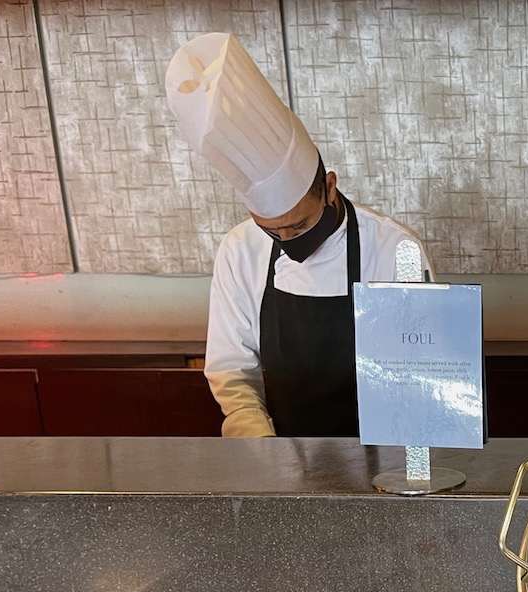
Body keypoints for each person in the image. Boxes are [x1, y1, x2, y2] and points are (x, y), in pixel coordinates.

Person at [166, 33, 433, 437]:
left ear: (329, 187)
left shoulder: (395, 249)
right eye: (271, 230)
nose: (289, 240)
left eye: (301, 226)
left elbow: (420, 378)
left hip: (384, 462)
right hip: (284, 460)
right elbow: (233, 373)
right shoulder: (240, 251)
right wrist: (263, 450)